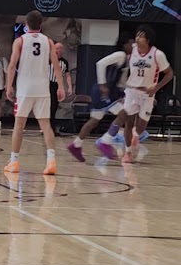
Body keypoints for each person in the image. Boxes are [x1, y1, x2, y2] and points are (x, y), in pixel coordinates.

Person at [4, 9, 64, 176]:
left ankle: (14, 161)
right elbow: (56, 66)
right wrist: (61, 87)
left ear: (26, 24)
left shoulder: (20, 41)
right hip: (43, 88)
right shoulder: (48, 41)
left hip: (25, 88)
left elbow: (12, 65)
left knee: (19, 126)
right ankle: (51, 160)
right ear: (41, 24)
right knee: (46, 126)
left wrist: (9, 86)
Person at [67, 33, 134, 163]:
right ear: (124, 44)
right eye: (131, 43)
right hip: (104, 91)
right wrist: (103, 85)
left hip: (105, 91)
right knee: (124, 113)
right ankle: (105, 141)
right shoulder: (120, 55)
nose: (133, 46)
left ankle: (76, 145)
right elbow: (100, 64)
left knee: (94, 121)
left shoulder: (125, 58)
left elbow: (122, 81)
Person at [119, 25, 173, 164]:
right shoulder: (131, 49)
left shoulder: (157, 54)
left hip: (147, 93)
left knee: (141, 125)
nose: (137, 38)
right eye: (137, 35)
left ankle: (137, 135)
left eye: (141, 36)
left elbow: (169, 73)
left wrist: (156, 87)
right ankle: (128, 153)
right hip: (131, 91)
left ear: (148, 39)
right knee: (128, 122)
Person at [50, 41, 72, 130]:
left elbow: (67, 75)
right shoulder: (48, 60)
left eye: (60, 48)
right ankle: (47, 126)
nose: (59, 50)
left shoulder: (64, 62)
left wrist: (70, 86)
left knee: (54, 106)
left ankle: (52, 127)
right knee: (48, 106)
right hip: (48, 84)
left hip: (57, 85)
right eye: (57, 48)